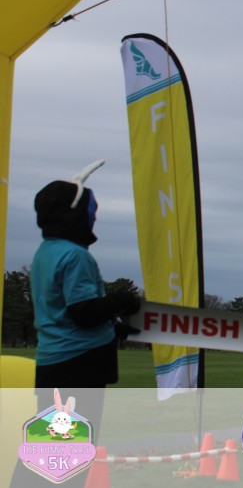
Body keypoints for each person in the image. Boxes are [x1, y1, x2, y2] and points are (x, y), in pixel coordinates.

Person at [10, 161, 142, 487]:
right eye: (91, 211)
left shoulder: (46, 251)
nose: (94, 217)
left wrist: (113, 328)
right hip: (78, 365)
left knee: (47, 451)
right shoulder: (76, 255)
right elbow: (82, 313)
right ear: (76, 214)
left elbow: (63, 311)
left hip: (56, 361)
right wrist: (121, 300)